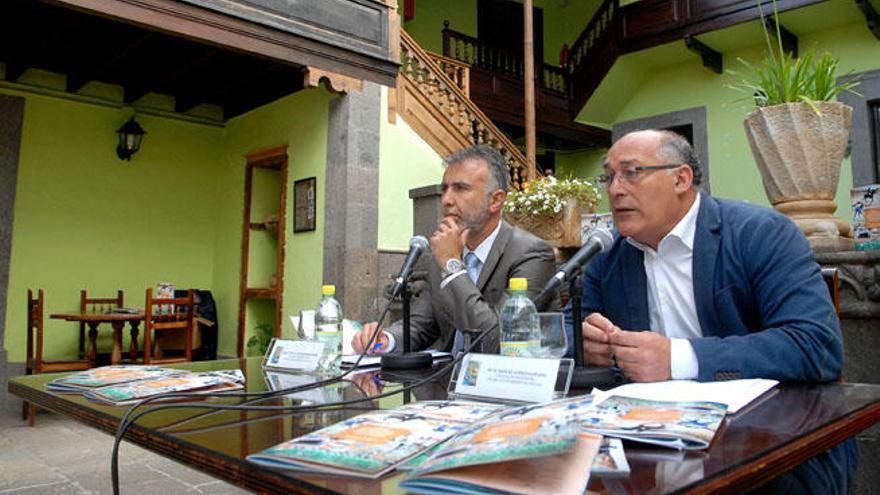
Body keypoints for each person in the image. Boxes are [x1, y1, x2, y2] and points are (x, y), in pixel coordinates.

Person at [570, 129, 844, 383]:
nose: (615, 190)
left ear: (681, 179)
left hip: (762, 420)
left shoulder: (760, 234)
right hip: (647, 423)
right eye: (609, 177)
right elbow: (563, 331)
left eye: (631, 173)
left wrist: (678, 359)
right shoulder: (608, 253)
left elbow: (817, 345)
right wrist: (585, 345)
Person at [352, 144, 557, 355]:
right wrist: (386, 339)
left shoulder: (531, 254)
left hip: (503, 383)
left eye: (461, 188)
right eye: (445, 189)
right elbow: (420, 325)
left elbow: (496, 341)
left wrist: (453, 267)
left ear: (495, 200)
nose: (446, 200)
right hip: (445, 381)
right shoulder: (442, 255)